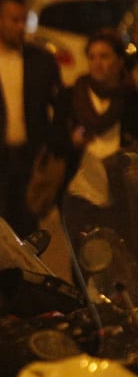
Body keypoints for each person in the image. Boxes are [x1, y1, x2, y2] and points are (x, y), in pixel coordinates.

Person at [0, 0, 62, 252]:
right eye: (14, 20)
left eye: (24, 20)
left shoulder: (40, 60)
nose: (20, 27)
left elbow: (57, 106)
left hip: (28, 161)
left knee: (26, 240)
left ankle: (21, 292)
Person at [48, 30, 138, 248]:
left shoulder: (131, 98)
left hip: (119, 194)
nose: (98, 63)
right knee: (82, 258)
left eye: (105, 56)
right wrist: (72, 141)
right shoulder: (72, 95)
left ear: (118, 61)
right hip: (79, 193)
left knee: (119, 258)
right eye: (93, 56)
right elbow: (54, 140)